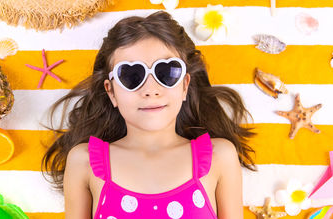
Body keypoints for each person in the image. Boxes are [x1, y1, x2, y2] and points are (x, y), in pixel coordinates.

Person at [42, 11, 256, 219]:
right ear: (111, 91)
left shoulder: (220, 157)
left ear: (185, 86)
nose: (151, 89)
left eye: (166, 72)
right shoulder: (84, 161)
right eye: (132, 75)